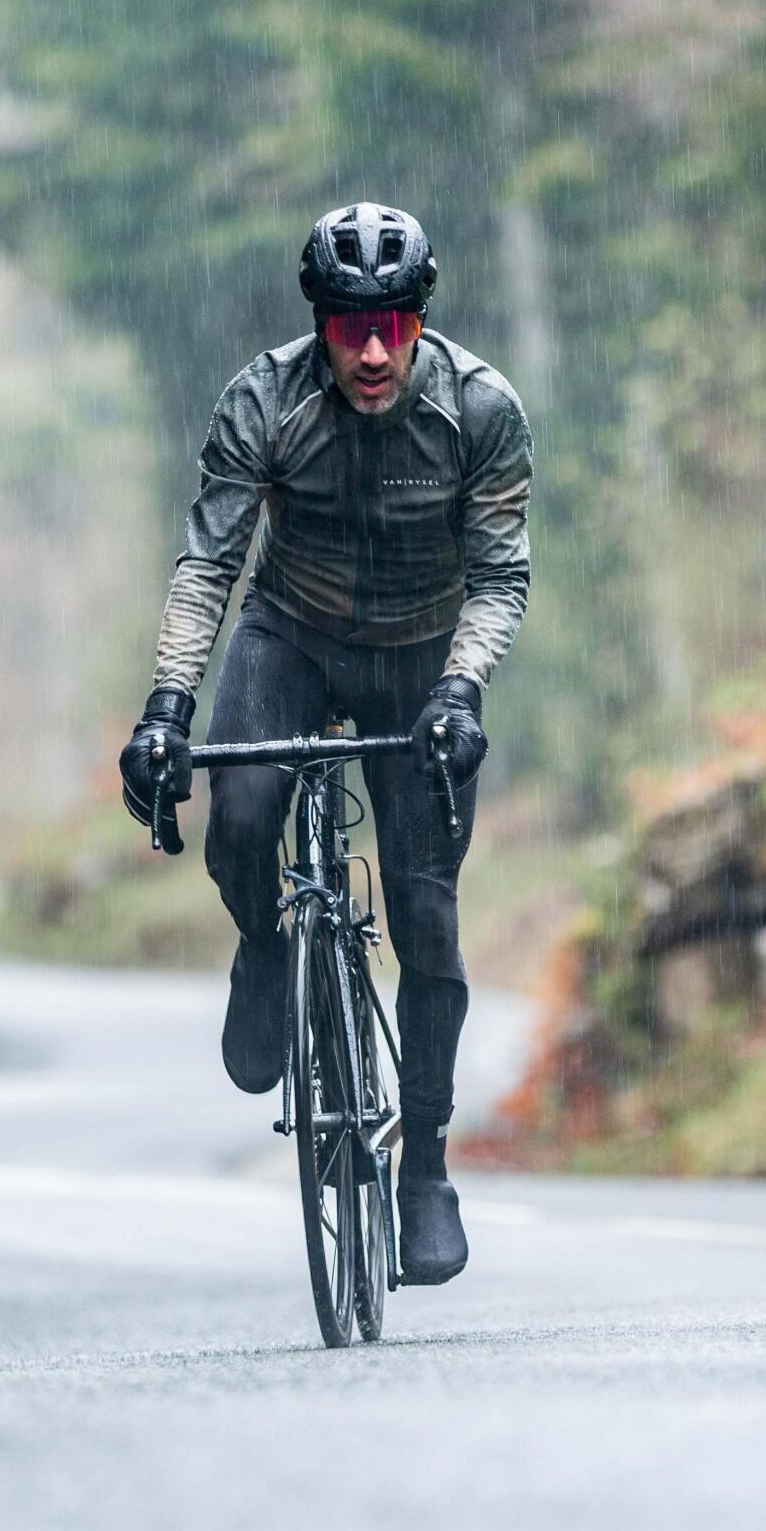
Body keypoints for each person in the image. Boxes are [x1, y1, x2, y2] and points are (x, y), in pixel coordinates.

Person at [118, 202, 533, 1285]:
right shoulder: (263, 398)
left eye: (392, 321)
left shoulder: (479, 405)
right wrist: (166, 706)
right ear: (320, 323)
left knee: (428, 920)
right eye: (350, 325)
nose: (374, 349)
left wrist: (459, 687)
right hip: (290, 629)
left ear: (418, 316)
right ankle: (264, 948)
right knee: (240, 819)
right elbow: (208, 563)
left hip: (420, 653)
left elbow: (500, 574)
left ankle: (427, 1167)